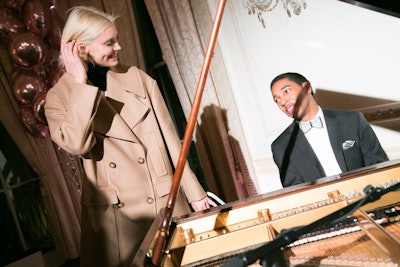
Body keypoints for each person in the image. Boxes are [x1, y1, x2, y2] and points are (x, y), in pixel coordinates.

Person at [44, 6, 216, 267]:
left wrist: (194, 192)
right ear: (81, 47)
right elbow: (77, 144)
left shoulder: (137, 78)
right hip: (115, 220)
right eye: (110, 42)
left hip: (161, 201)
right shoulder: (58, 98)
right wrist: (80, 83)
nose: (119, 47)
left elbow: (171, 141)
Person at [270, 72, 388, 187]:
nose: (282, 102)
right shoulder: (281, 146)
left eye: (286, 91)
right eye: (277, 100)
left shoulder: (352, 120)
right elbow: (296, 193)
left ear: (307, 88)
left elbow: (378, 165)